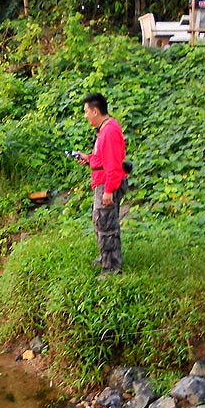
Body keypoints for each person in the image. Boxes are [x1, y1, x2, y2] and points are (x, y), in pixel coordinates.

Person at [77, 93, 128, 274]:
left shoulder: (110, 131)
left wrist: (109, 190)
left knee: (106, 225)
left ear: (95, 111)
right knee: (101, 222)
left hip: (107, 184)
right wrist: (89, 159)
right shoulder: (105, 129)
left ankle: (112, 269)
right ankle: (104, 257)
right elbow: (102, 158)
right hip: (103, 182)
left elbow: (113, 164)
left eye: (86, 111)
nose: (85, 116)